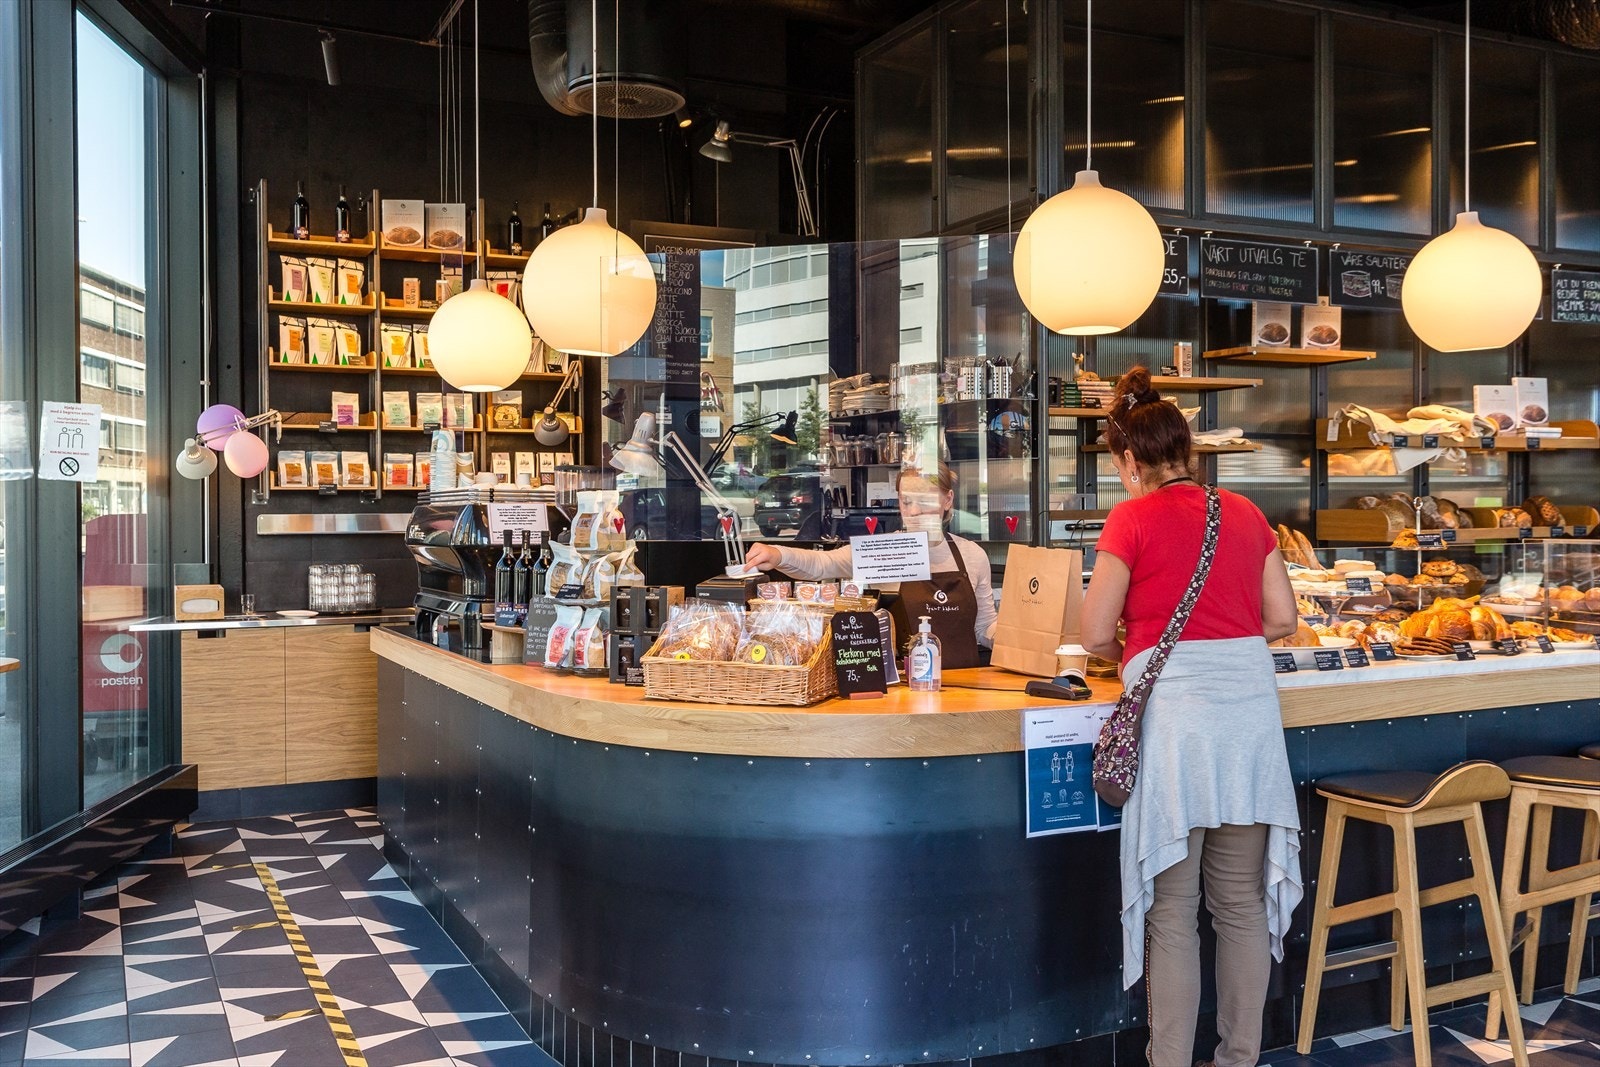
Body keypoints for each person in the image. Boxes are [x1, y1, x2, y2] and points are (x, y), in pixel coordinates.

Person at [1079, 367, 1303, 1067]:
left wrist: (1135, 648)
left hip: (1176, 723)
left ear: (1129, 460)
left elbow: (1093, 632)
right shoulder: (1245, 512)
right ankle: (1238, 1058)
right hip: (1249, 722)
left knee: (1172, 911)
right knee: (1239, 903)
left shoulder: (1132, 518)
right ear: (1188, 451)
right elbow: (1283, 618)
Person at [744, 464, 996, 667]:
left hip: (966, 686)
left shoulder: (972, 555)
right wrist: (779, 554)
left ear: (948, 500)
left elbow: (984, 627)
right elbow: (823, 564)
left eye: (925, 500)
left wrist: (1016, 640)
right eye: (906, 502)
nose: (914, 511)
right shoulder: (885, 551)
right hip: (905, 689)